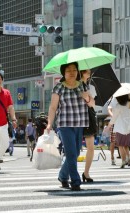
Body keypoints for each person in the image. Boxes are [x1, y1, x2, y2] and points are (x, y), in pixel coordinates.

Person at [46, 62, 92, 191]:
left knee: (76, 152)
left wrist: (86, 97)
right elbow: (53, 107)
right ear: (63, 73)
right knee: (71, 153)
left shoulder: (83, 86)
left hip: (80, 123)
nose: (72, 72)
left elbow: (91, 103)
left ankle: (62, 175)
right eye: (68, 70)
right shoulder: (59, 87)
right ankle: (75, 181)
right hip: (65, 124)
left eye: (74, 70)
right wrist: (50, 123)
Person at [77, 69, 97, 182]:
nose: (89, 74)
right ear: (81, 73)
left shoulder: (90, 87)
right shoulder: (75, 86)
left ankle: (86, 173)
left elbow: (92, 103)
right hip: (77, 117)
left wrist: (88, 96)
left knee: (91, 147)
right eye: (87, 72)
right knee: (75, 148)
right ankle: (71, 172)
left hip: (88, 116)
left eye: (90, 72)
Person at [108, 94, 130, 168]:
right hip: (129, 127)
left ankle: (123, 161)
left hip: (120, 127)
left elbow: (114, 118)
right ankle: (129, 158)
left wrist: (109, 126)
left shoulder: (118, 106)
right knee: (126, 145)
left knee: (120, 145)